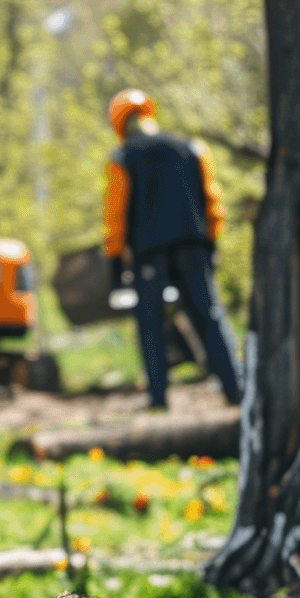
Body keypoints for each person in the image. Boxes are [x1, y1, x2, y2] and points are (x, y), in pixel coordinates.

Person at [102, 88, 243, 409]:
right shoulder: (191, 148)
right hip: (193, 246)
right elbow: (212, 199)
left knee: (150, 322)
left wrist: (115, 261)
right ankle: (236, 390)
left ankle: (158, 399)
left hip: (149, 253)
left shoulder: (122, 158)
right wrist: (211, 241)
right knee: (209, 315)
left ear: (119, 124)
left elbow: (115, 214)